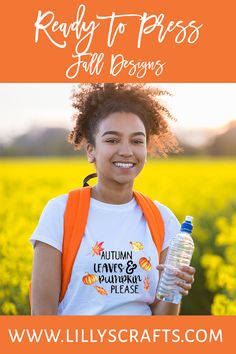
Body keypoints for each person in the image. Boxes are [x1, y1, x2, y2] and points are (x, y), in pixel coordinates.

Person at [30, 83, 195, 316]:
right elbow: (42, 315)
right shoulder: (60, 212)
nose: (126, 151)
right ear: (91, 150)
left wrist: (174, 290)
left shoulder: (162, 218)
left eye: (137, 141)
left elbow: (164, 323)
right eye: (112, 140)